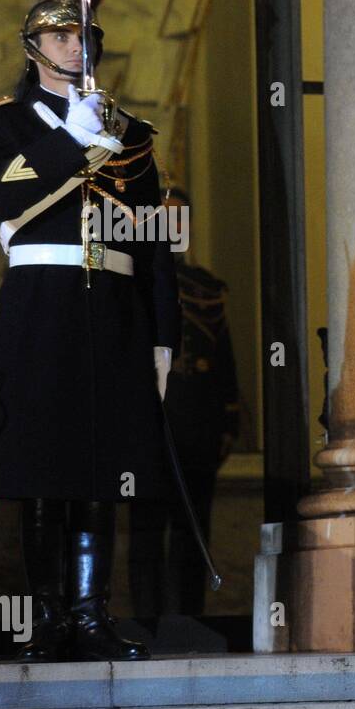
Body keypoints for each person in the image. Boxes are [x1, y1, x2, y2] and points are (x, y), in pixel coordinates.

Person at [0, 0, 179, 662]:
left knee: (102, 463)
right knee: (42, 463)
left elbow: (153, 244)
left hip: (112, 308)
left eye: (82, 33)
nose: (74, 45)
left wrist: (163, 335)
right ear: (34, 46)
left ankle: (91, 612)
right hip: (41, 302)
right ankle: (50, 615)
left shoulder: (133, 135)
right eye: (60, 34)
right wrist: (68, 141)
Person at [128, 190, 239, 618]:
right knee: (146, 530)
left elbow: (223, 360)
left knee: (192, 530)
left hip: (196, 423)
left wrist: (229, 418)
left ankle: (187, 619)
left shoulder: (207, 288)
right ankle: (147, 620)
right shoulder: (132, 281)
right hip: (150, 420)